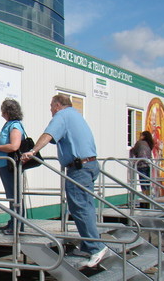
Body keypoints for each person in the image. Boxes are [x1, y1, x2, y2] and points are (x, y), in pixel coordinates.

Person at [21, 94, 109, 268]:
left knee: (80, 208)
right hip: (90, 164)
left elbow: (48, 134)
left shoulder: (62, 115)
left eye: (51, 106)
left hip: (79, 168)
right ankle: (87, 246)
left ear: (58, 105)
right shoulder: (76, 115)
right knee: (86, 206)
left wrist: (33, 151)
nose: (50, 110)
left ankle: (96, 248)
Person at [0, 99, 25, 235]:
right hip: (5, 164)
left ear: (8, 112)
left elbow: (14, 146)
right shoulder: (9, 124)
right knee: (11, 195)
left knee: (14, 195)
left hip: (11, 165)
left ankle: (17, 225)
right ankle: (13, 221)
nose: (1, 114)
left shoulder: (15, 125)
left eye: (3, 111)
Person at [129, 130, 154, 198]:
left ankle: (145, 196)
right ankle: (149, 195)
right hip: (148, 164)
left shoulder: (139, 143)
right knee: (148, 181)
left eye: (141, 135)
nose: (140, 137)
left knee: (143, 181)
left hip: (141, 163)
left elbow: (134, 151)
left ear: (143, 136)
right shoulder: (149, 144)